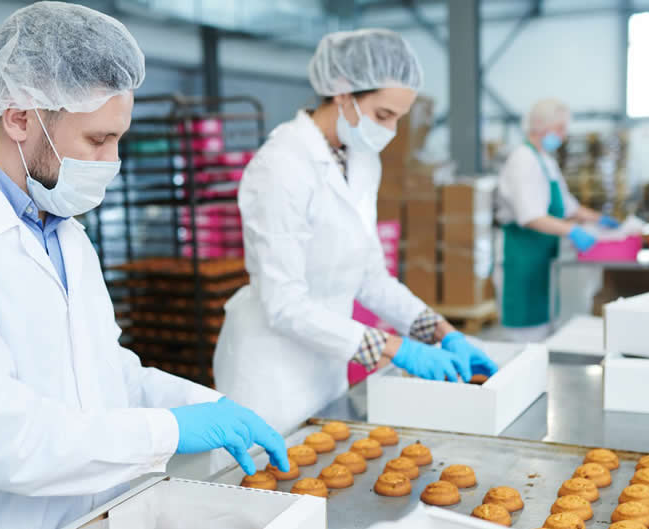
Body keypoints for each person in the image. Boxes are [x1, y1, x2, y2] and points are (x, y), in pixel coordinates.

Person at [0, 3, 287, 528]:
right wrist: (168, 431)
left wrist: (209, 405)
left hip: (94, 513)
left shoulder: (62, 228)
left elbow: (103, 372)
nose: (111, 163)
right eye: (98, 140)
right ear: (20, 116)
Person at [213, 29, 498, 435]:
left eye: (399, 119)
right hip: (272, 372)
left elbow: (370, 277)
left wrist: (441, 331)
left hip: (327, 364)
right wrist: (394, 348)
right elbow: (284, 303)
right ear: (343, 92)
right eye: (383, 116)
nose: (392, 131)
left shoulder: (362, 162)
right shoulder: (281, 166)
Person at [493, 98, 619, 343]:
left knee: (542, 325)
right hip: (520, 257)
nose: (563, 135)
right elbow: (530, 216)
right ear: (540, 125)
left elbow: (568, 205)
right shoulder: (523, 160)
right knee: (524, 333)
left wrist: (601, 220)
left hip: (541, 258)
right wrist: (573, 231)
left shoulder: (546, 162)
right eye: (559, 128)